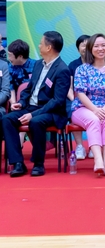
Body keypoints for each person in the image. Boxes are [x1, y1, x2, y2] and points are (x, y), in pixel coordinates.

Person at [2, 31, 71, 177]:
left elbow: (57, 101)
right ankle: (18, 163)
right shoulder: (39, 64)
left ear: (49, 47)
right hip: (31, 107)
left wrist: (32, 115)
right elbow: (28, 88)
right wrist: (21, 103)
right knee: (7, 119)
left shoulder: (62, 70)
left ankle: (38, 164)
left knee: (36, 121)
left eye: (41, 43)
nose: (39, 46)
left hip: (52, 111)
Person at [70, 34, 105, 176]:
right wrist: (94, 110)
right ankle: (98, 159)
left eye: (103, 45)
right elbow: (80, 94)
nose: (100, 48)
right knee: (94, 120)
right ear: (90, 49)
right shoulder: (82, 69)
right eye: (96, 46)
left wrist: (104, 109)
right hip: (83, 108)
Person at [68, 34, 90, 160]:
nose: (85, 48)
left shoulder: (98, 63)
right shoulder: (73, 65)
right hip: (76, 100)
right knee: (72, 109)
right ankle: (80, 146)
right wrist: (75, 100)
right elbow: (69, 87)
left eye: (88, 45)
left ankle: (94, 146)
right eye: (83, 45)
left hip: (94, 101)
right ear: (78, 49)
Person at [7, 39, 36, 104]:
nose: (9, 58)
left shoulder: (36, 66)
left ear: (20, 56)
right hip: (18, 100)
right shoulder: (10, 67)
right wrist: (14, 104)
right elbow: (10, 87)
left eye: (10, 55)